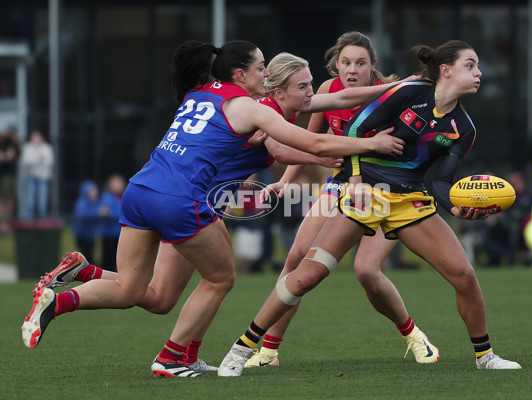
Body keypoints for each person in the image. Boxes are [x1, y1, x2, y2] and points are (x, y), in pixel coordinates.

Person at [22, 42, 405, 378]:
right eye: (262, 68)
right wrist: (370, 148)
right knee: (220, 279)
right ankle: (171, 359)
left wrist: (399, 87)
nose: (310, 94)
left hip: (142, 190)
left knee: (145, 294)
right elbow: (313, 145)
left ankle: (67, 292)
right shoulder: (255, 109)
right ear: (245, 75)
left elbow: (330, 107)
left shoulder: (205, 91)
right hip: (182, 201)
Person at [219, 40, 522, 377]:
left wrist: (456, 207)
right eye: (471, 65)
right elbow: (356, 129)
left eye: (477, 66)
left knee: (464, 275)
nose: (479, 73)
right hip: (366, 191)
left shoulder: (464, 129)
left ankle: (486, 356)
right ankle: (242, 348)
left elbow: (440, 183)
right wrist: (358, 180)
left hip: (409, 200)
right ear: (446, 71)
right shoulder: (409, 93)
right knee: (306, 274)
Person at [244, 31, 437, 369]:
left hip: (383, 190)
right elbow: (311, 140)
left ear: (372, 66)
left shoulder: (394, 97)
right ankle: (269, 352)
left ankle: (414, 336)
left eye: (360, 63)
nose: (351, 69)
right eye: (345, 62)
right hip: (340, 185)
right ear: (335, 64)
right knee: (295, 259)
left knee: (366, 271)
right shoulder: (326, 91)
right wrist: (285, 181)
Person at [21, 130, 53, 219]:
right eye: (34, 138)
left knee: (42, 202)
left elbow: (49, 162)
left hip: (43, 177)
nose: (36, 140)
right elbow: (25, 162)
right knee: (30, 202)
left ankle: (42, 223)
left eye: (38, 138)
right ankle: (28, 223)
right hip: (30, 177)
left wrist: (36, 160)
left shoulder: (47, 148)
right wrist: (38, 159)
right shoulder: (27, 147)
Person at [98, 174, 126, 270]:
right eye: (116, 182)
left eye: (120, 182)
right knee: (108, 261)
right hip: (109, 235)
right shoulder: (107, 197)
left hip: (120, 235)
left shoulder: (123, 197)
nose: (119, 185)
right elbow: (104, 213)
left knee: (118, 261)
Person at [72, 180, 101, 265]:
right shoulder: (82, 202)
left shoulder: (95, 202)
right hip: (82, 235)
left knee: (90, 258)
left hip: (91, 236)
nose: (95, 193)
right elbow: (82, 215)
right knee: (87, 258)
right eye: (92, 191)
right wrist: (97, 213)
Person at [0, 125, 21, 234]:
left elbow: (17, 154)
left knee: (10, 200)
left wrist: (15, 141)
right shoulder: (2, 141)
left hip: (12, 175)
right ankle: (2, 224)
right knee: (3, 200)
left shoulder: (13, 142)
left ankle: (7, 223)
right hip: (3, 175)